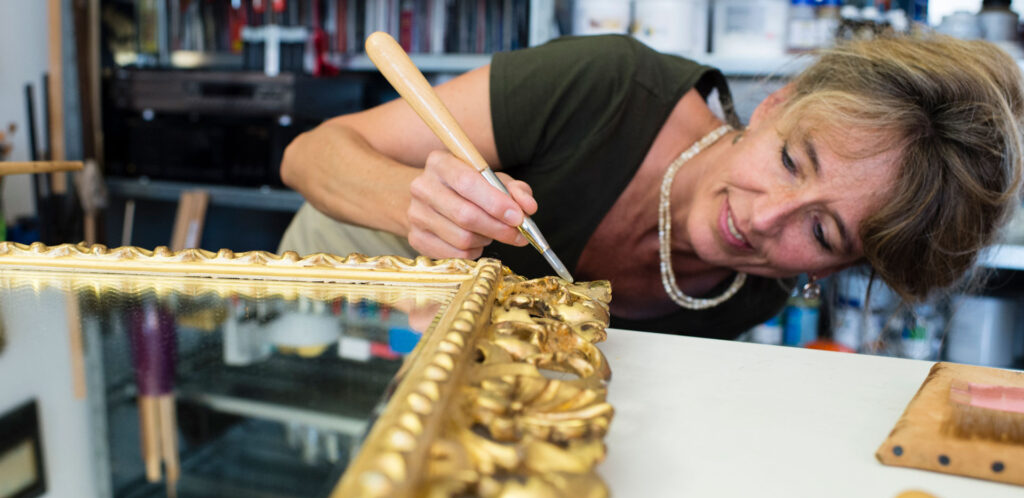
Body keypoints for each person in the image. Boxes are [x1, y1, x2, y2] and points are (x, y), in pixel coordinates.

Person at [277, 33, 1024, 340]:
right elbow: (312, 155)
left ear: (840, 271)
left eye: (824, 233)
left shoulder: (754, 290)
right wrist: (414, 204)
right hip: (332, 310)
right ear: (775, 104)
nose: (767, 220)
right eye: (794, 161)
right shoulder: (609, 85)